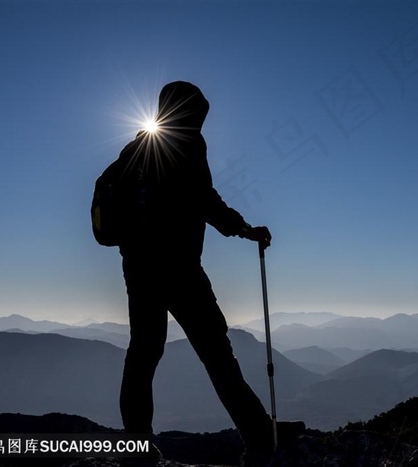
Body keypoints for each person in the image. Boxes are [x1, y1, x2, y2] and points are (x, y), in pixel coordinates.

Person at [115, 81, 275, 466]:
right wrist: (244, 229)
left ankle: (137, 447)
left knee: (142, 357)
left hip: (139, 270)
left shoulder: (136, 147)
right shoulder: (187, 143)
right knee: (217, 355)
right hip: (181, 270)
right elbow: (205, 199)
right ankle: (259, 437)